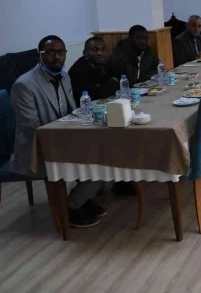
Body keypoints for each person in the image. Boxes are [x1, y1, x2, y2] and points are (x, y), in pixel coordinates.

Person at [9, 35, 105, 228]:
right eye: (51, 52)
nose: (57, 57)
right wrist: (68, 139)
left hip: (63, 137)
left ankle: (81, 199)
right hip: (37, 148)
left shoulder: (64, 76)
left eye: (61, 52)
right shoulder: (24, 85)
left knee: (106, 150)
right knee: (99, 157)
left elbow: (70, 111)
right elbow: (31, 129)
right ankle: (71, 206)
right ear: (40, 55)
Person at [68, 37, 119, 105]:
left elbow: (119, 80)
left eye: (103, 49)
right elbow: (95, 95)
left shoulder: (104, 62)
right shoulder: (78, 70)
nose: (100, 53)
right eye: (94, 50)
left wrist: (104, 87)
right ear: (84, 53)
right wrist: (112, 83)